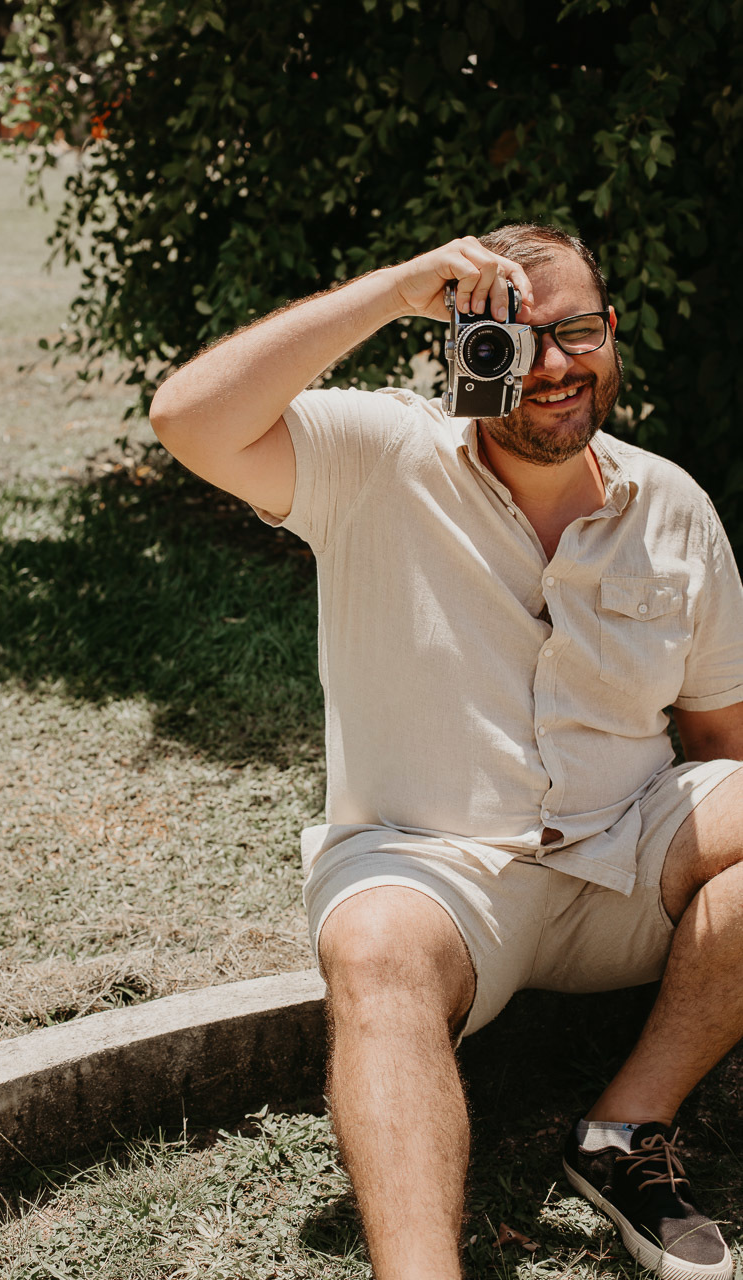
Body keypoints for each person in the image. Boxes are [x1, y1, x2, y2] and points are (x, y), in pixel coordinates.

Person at [149, 226, 743, 1280]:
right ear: (456, 342)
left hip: (620, 862)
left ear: (610, 335)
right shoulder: (378, 454)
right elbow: (187, 418)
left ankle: (622, 1129)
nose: (553, 366)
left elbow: (717, 747)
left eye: (576, 332)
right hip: (435, 873)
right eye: (511, 338)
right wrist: (392, 286)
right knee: (373, 947)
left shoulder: (673, 508)